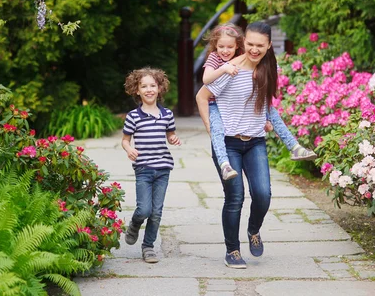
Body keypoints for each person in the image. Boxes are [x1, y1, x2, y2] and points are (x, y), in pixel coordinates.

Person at [196, 21, 280, 269]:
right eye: (250, 44)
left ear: (268, 46)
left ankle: (253, 230)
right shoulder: (229, 67)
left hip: (255, 142)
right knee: (235, 197)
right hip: (228, 144)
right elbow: (202, 96)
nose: (254, 49)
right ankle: (232, 250)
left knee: (263, 195)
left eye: (259, 45)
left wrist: (265, 120)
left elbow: (262, 100)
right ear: (244, 44)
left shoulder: (267, 67)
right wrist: (212, 130)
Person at [203, 23, 316, 182]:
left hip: (251, 126)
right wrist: (225, 68)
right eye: (221, 46)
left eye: (230, 46)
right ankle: (224, 164)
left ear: (237, 45)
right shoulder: (217, 59)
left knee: (273, 113)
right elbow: (205, 84)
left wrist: (266, 119)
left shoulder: (249, 58)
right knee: (217, 131)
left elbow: (265, 95)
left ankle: (294, 147)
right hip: (216, 104)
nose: (225, 50)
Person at [121, 67, 181, 264]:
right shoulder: (133, 116)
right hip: (143, 168)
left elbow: (170, 134)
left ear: (159, 88)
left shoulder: (167, 114)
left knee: (156, 212)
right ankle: (134, 224)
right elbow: (125, 140)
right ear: (136, 90)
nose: (149, 89)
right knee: (144, 210)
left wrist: (173, 139)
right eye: (143, 86)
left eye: (152, 85)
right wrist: (129, 149)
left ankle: (148, 247)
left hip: (163, 168)